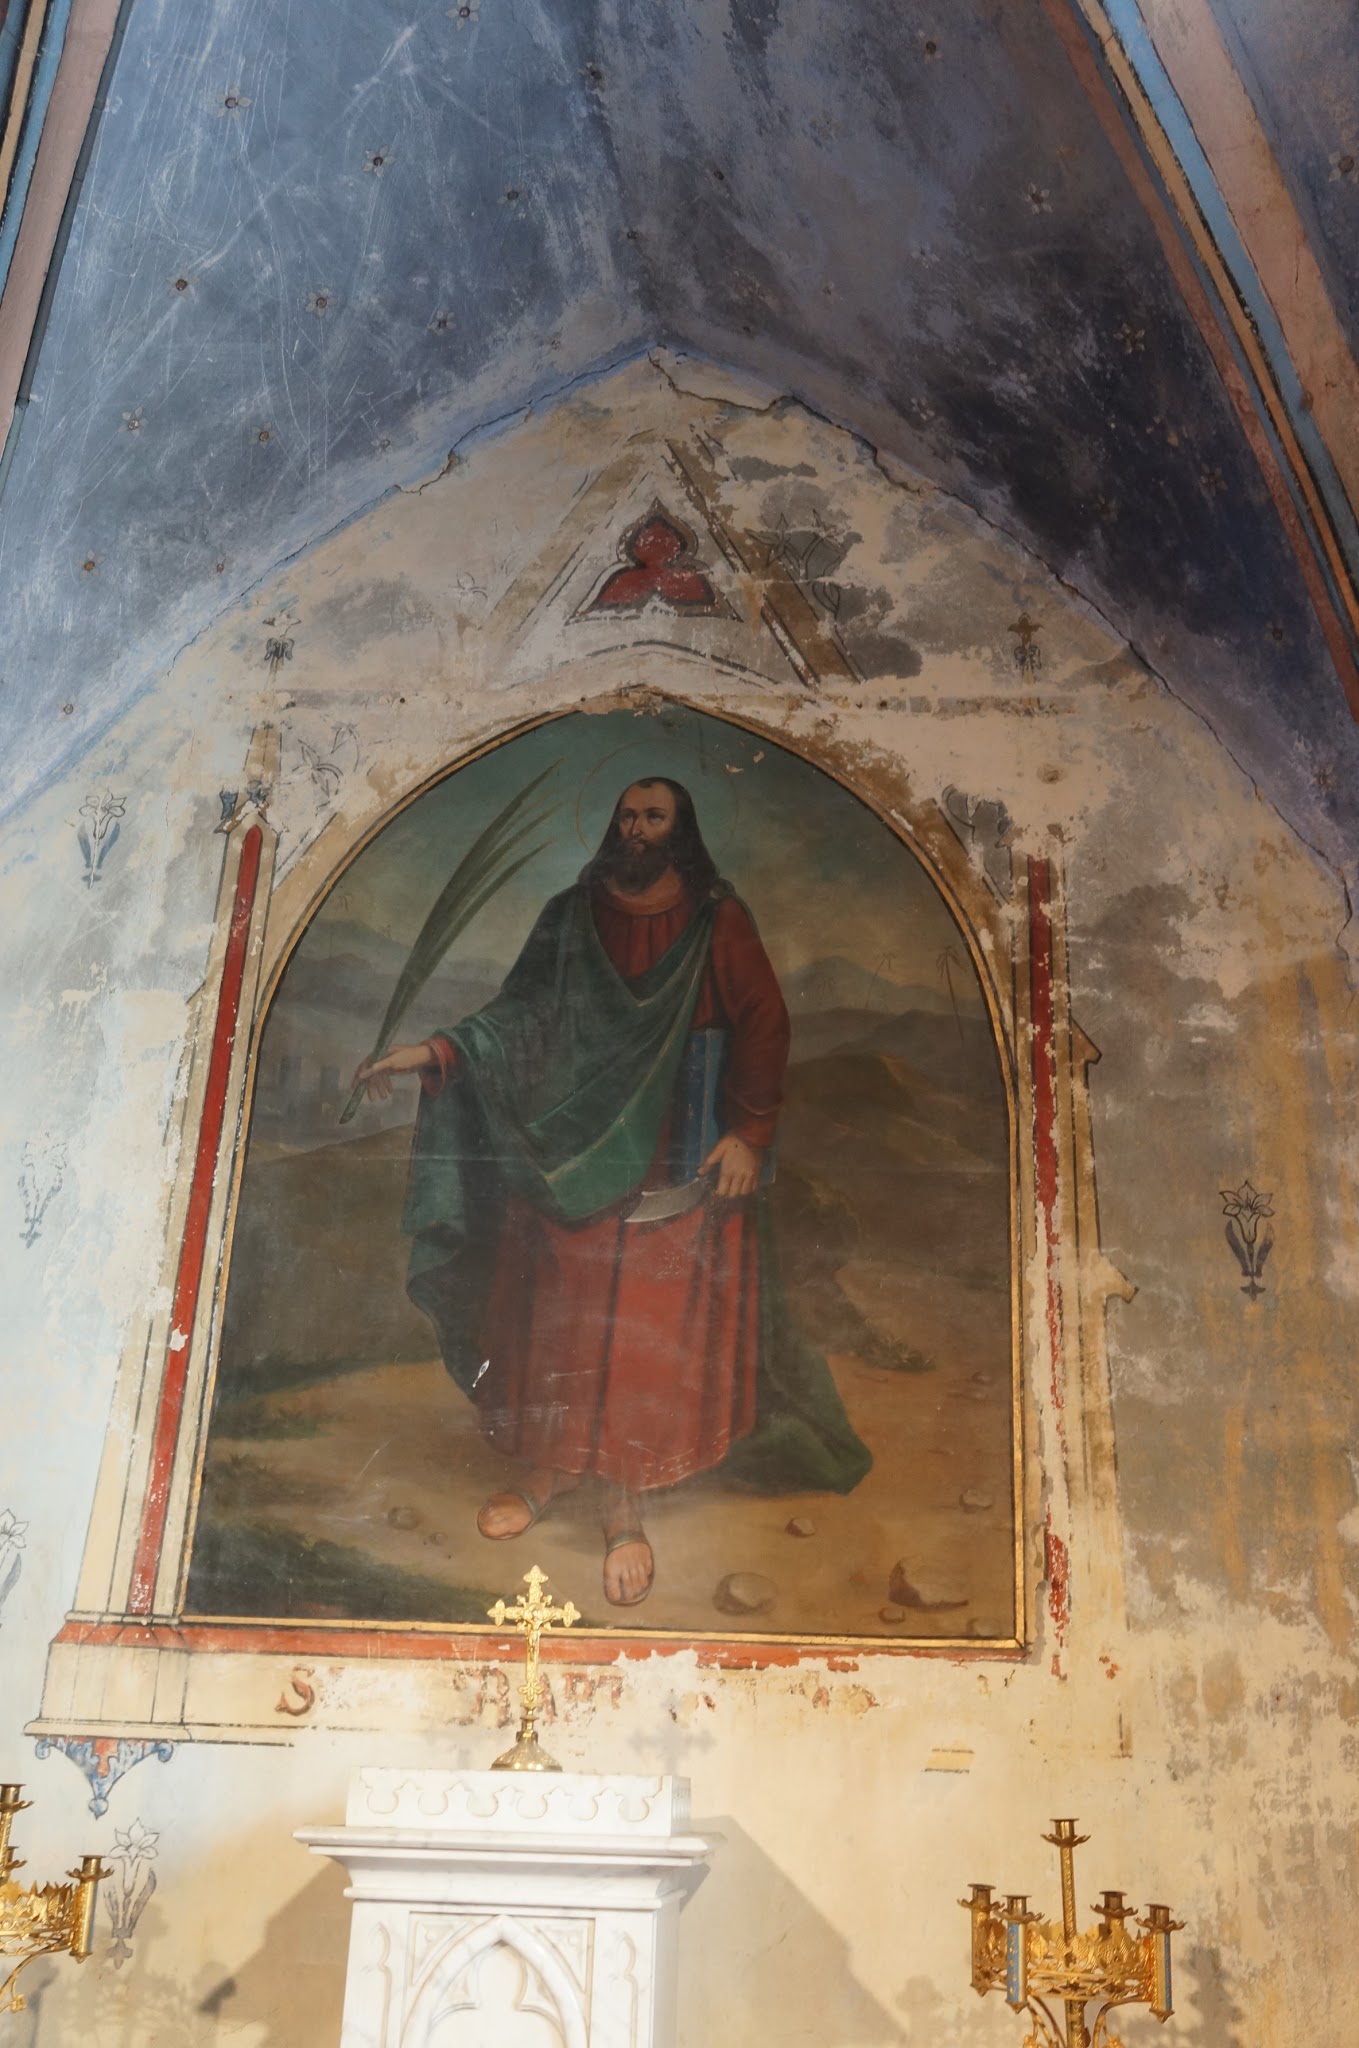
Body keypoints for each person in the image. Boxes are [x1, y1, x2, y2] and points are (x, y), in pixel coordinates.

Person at [356, 776, 870, 1608]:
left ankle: (621, 1501)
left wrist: (748, 1131)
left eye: (652, 817)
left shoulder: (716, 919)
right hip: (565, 1145)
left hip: (671, 1148)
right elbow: (519, 1016)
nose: (636, 829)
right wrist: (433, 1054)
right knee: (558, 1309)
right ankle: (550, 1468)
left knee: (640, 1322)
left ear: (679, 830)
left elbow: (762, 1022)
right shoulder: (570, 914)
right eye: (626, 816)